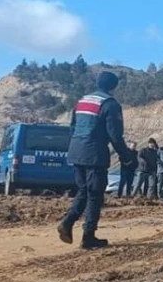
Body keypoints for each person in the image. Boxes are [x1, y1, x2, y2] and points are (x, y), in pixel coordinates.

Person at [58, 71, 137, 250]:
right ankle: (86, 235)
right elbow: (115, 135)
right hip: (94, 154)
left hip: (76, 152)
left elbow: (72, 128)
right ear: (114, 86)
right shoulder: (110, 104)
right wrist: (127, 158)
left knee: (84, 190)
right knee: (95, 194)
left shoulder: (82, 101)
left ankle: (70, 224)